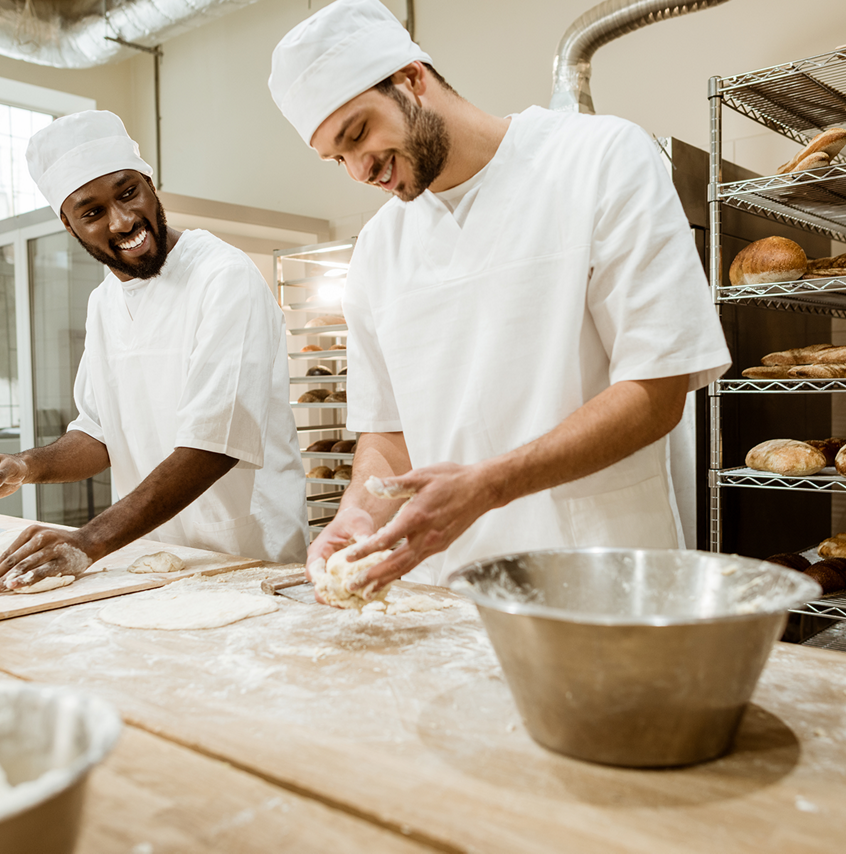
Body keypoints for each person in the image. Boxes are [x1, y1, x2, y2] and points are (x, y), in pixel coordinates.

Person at [268, 0, 731, 599]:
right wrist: (361, 511)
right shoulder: (380, 247)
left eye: (358, 133)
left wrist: (488, 486)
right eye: (337, 157)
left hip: (601, 575)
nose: (359, 170)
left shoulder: (601, 158)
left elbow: (657, 391)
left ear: (412, 79)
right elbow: (387, 434)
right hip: (447, 590)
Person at [0, 110, 307, 595]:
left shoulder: (224, 276)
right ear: (69, 224)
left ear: (149, 182)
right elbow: (99, 434)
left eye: (128, 193)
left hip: (246, 556)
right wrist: (25, 465)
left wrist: (88, 541)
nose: (122, 221)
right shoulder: (104, 302)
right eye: (92, 212)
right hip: (151, 557)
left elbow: (215, 444)